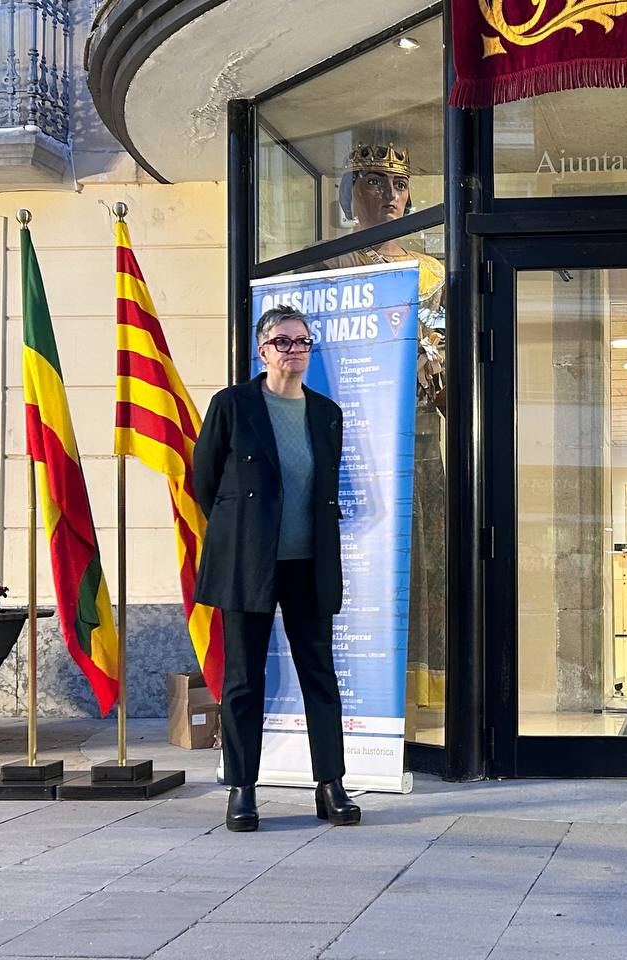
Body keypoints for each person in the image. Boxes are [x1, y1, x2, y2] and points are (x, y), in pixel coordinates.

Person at [193, 305, 360, 832]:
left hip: (309, 563)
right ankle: (243, 789)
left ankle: (330, 784)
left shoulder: (326, 413)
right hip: (249, 562)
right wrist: (244, 531)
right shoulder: (233, 405)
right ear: (263, 350)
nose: (295, 350)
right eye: (284, 341)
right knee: (244, 678)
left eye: (303, 341)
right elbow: (205, 481)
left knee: (320, 674)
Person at [328, 143, 447, 723]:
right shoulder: (331, 269)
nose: (391, 196)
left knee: (427, 552)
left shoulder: (432, 274)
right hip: (353, 433)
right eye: (375, 183)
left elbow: (445, 351)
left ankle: (423, 679)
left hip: (418, 429)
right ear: (351, 191)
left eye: (399, 184)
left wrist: (435, 364)